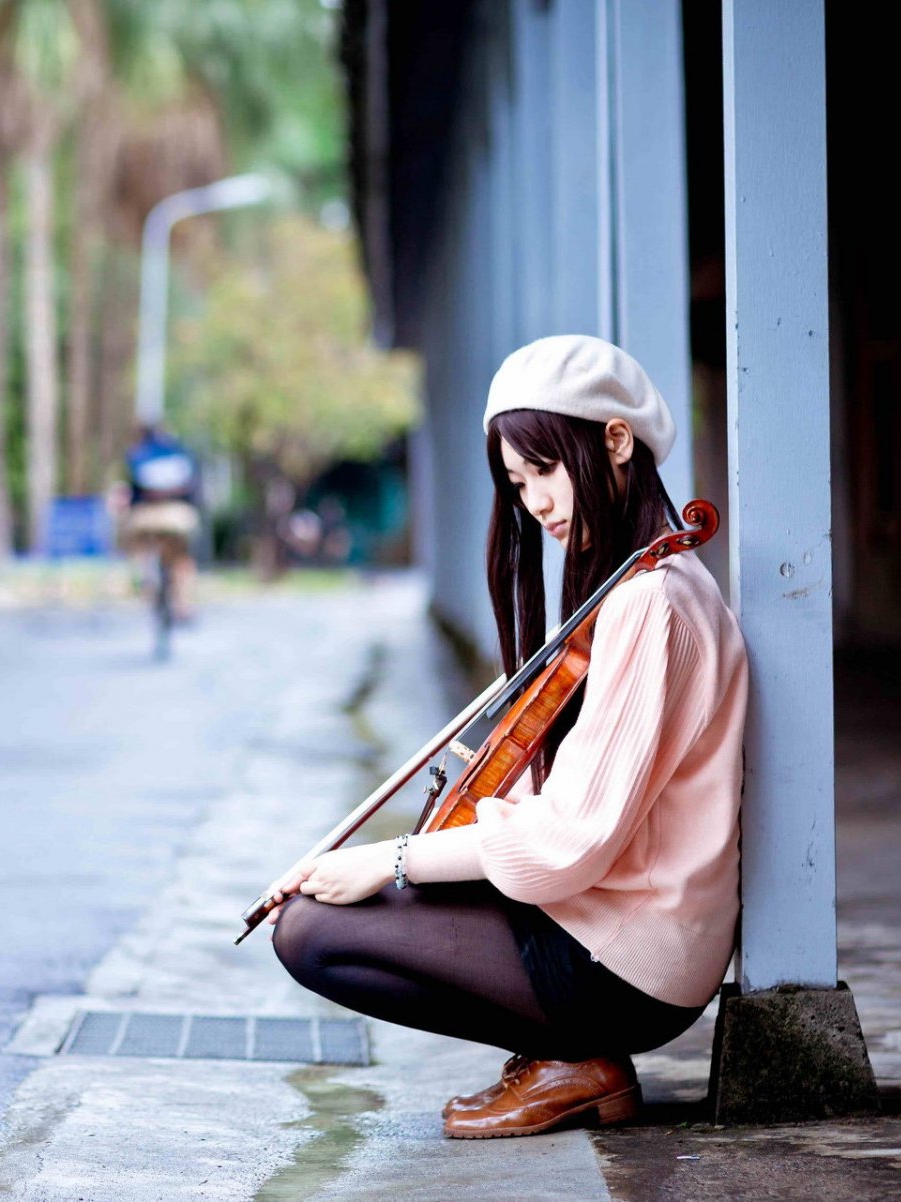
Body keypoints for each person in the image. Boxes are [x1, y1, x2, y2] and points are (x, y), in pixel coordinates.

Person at [265, 333, 748, 1139]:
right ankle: (569, 1058)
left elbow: (571, 841)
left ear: (616, 440)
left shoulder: (649, 603)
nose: (537, 505)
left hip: (628, 955)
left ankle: (576, 1058)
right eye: (519, 485)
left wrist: (386, 859)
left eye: (545, 471)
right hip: (605, 919)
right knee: (342, 907)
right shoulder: (629, 587)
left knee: (314, 935)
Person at [118, 420, 203, 620]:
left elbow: (132, 494)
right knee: (182, 556)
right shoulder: (182, 453)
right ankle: (184, 605)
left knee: (137, 545)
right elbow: (193, 490)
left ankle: (144, 581)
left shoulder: (136, 455)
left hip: (146, 516)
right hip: (179, 515)